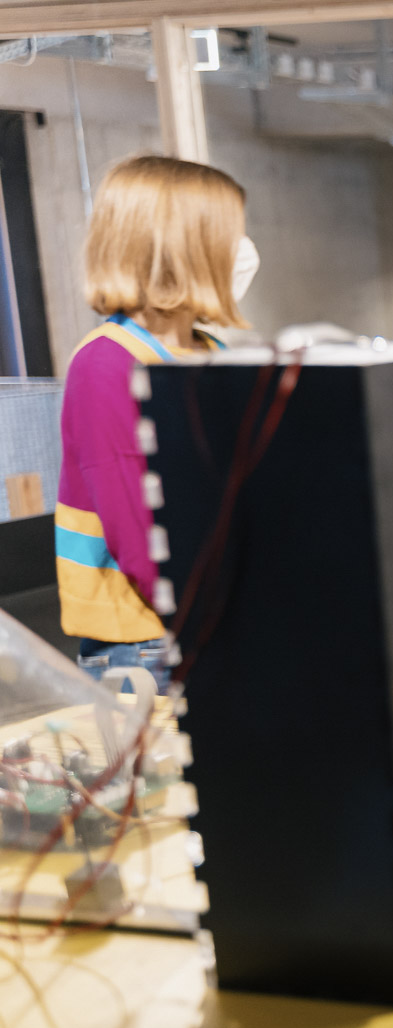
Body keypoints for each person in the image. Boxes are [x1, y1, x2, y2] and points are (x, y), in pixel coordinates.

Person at [58, 155, 256, 689]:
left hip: (212, 617)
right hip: (148, 644)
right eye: (228, 233)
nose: (242, 250)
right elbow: (136, 531)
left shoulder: (209, 350)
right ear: (181, 247)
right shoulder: (107, 364)